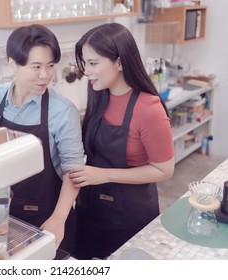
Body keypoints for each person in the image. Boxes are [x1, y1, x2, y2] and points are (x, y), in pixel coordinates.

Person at [68, 22, 175, 260]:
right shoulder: (98, 95)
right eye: (85, 63)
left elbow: (165, 169)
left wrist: (104, 175)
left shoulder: (149, 108)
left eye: (94, 63)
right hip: (90, 209)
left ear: (119, 62)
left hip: (129, 216)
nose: (87, 71)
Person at [0, 24, 85, 254]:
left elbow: (73, 172)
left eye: (50, 66)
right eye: (36, 67)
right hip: (3, 212)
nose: (45, 75)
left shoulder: (62, 111)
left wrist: (59, 218)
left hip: (49, 215)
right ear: (13, 64)